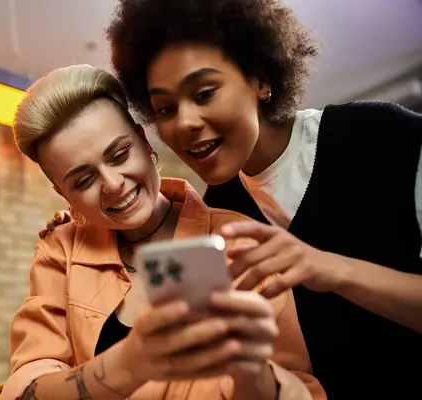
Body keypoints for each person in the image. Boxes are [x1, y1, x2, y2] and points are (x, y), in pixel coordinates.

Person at [39, 0, 422, 398]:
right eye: (166, 108)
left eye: (204, 93)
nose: (184, 122)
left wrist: (328, 268)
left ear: (260, 79)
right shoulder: (221, 210)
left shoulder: (380, 135)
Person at [0, 65, 325, 400]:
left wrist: (253, 374)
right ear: (63, 194)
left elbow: (303, 388)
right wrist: (129, 363)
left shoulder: (241, 240)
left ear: (144, 142)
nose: (113, 184)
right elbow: (25, 391)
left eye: (120, 154)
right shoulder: (60, 253)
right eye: (83, 181)